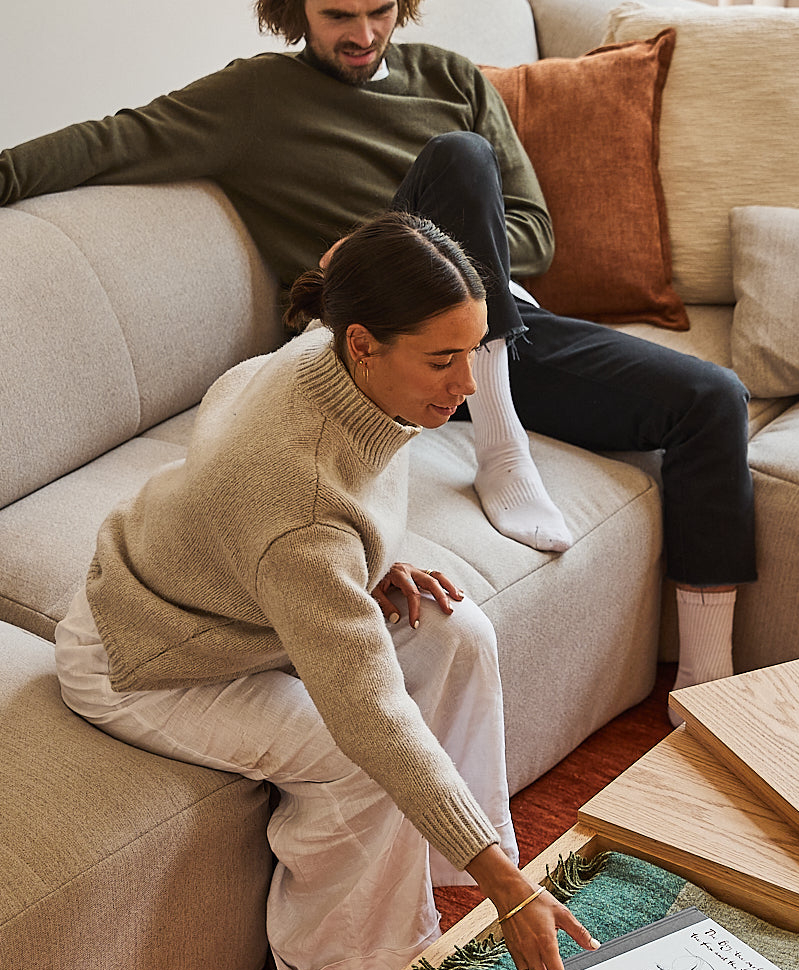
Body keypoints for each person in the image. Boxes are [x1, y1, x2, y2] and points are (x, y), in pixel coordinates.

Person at [0, 0, 754, 713]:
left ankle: (704, 681)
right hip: (382, 351)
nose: (363, 32)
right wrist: (373, 265)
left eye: (380, 10)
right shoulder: (253, 97)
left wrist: (411, 248)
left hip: (499, 323)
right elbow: (106, 139)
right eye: (337, 14)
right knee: (458, 160)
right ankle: (499, 438)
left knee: (713, 398)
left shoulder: (450, 78)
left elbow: (534, 234)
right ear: (293, 12)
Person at [53, 210, 598, 970]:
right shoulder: (300, 507)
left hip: (243, 601)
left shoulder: (329, 356)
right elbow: (370, 717)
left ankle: (455, 872)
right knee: (361, 760)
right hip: (148, 656)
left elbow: (250, 411)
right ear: (363, 345)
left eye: (475, 352)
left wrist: (366, 563)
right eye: (443, 360)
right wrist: (511, 888)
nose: (467, 386)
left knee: (459, 631)